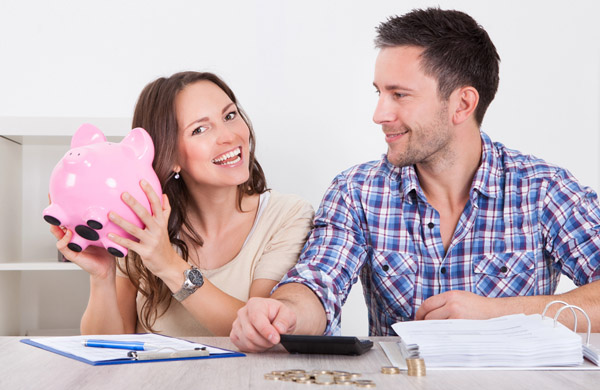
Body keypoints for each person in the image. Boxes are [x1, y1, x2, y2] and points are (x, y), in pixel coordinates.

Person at [230, 8, 600, 352]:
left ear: (462, 104)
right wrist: (285, 312)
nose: (379, 114)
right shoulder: (357, 191)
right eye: (379, 92)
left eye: (399, 95)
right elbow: (318, 282)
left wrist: (497, 313)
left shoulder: (543, 190)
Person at [50, 71, 314, 337]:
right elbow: (107, 347)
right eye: (200, 129)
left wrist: (169, 265)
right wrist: (102, 276)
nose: (229, 136)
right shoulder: (144, 223)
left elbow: (261, 331)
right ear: (170, 154)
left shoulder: (287, 216)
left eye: (230, 116)